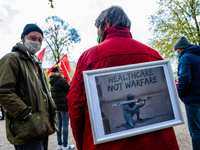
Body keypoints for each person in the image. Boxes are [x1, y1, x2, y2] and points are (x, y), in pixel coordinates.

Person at [67, 6, 179, 150]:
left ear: (105, 25)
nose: (98, 35)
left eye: (97, 29)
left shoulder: (89, 57)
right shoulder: (153, 54)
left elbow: (76, 105)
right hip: (157, 144)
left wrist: (82, 143)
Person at [0, 23, 58, 150]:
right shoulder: (11, 59)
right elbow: (3, 91)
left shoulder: (36, 62)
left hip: (42, 125)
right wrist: (25, 112)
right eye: (33, 38)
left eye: (40, 39)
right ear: (23, 38)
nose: (37, 42)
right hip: (27, 127)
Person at [174, 36, 200, 150]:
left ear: (181, 49)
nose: (176, 53)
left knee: (196, 131)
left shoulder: (185, 58)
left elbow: (184, 79)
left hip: (193, 100)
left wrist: (178, 94)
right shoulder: (197, 57)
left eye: (176, 51)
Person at [49, 66, 75, 150]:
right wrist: (71, 82)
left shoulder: (52, 81)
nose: (62, 71)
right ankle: (65, 145)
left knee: (59, 125)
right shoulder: (61, 80)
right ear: (57, 72)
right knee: (65, 124)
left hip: (57, 106)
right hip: (64, 106)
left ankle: (59, 145)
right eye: (61, 70)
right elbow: (69, 89)